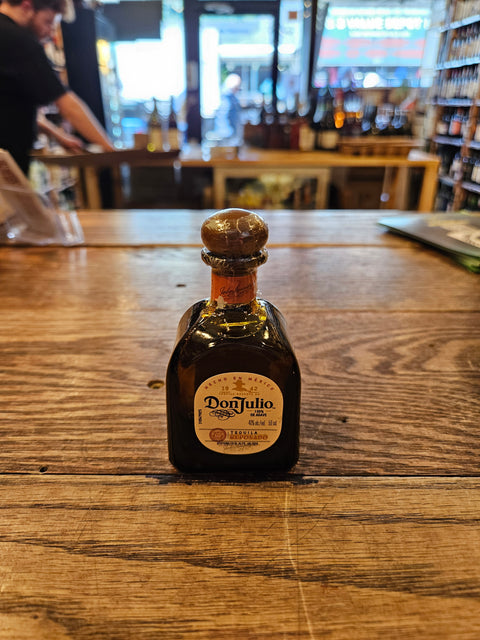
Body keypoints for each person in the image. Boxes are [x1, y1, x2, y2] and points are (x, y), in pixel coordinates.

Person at [0, 0, 114, 175]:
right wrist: (110, 150)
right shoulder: (18, 40)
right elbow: (67, 105)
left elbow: (9, 108)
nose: (50, 32)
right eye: (47, 22)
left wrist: (59, 136)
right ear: (26, 6)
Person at [213, 73, 243, 144]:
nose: (238, 90)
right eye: (237, 88)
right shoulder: (227, 99)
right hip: (227, 135)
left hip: (227, 134)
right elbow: (225, 117)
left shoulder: (227, 97)